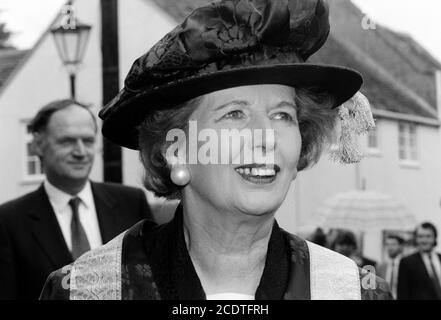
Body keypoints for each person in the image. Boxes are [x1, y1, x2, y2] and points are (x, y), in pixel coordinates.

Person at [40, 0, 392, 300]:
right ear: (175, 149)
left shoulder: (350, 291)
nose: (266, 137)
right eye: (235, 114)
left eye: (282, 115)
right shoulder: (89, 289)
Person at [0, 100, 152, 300]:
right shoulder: (8, 221)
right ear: (37, 145)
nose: (80, 152)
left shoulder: (132, 202)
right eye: (67, 141)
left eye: (88, 141)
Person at [397, 222, 441, 300]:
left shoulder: (439, 258)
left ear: (434, 238)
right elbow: (403, 294)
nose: (424, 240)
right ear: (416, 239)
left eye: (428, 236)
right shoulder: (407, 262)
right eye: (420, 237)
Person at [377, 234, 404, 299]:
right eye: (387, 245)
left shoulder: (406, 266)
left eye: (393, 244)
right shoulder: (380, 267)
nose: (390, 247)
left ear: (400, 246)